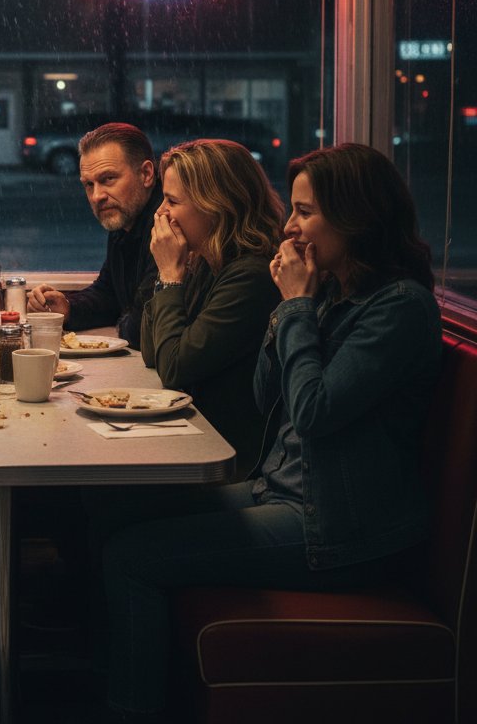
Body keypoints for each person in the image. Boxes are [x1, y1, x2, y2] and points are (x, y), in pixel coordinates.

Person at [99, 143, 442, 723]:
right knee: (118, 508)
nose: (289, 226)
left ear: (355, 217)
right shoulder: (331, 293)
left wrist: (292, 309)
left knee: (131, 557)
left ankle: (131, 711)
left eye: (305, 212)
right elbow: (267, 393)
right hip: (278, 492)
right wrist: (290, 310)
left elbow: (311, 411)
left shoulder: (399, 309)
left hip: (337, 526)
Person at [141, 138, 283, 475]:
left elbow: (174, 368)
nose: (161, 211)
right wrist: (167, 275)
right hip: (200, 436)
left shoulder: (252, 275)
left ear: (215, 206)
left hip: (232, 458)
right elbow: (152, 350)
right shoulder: (207, 261)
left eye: (172, 201)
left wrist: (169, 276)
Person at [27, 122, 162, 348]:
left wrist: (124, 320)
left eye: (108, 179)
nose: (97, 196)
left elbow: (143, 329)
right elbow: (109, 293)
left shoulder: (166, 226)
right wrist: (67, 307)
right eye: (89, 184)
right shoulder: (125, 219)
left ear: (146, 174)